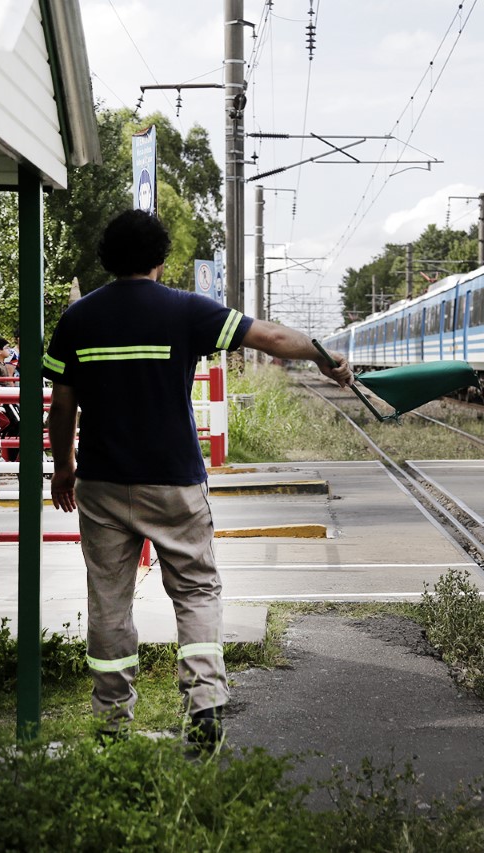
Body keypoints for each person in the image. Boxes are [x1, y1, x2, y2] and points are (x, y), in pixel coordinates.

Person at [43, 209, 352, 749]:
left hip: (103, 482)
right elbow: (273, 336)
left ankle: (113, 723)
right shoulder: (185, 310)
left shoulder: (78, 319)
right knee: (196, 589)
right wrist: (325, 358)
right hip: (174, 482)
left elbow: (61, 405)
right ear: (162, 261)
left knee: (109, 600)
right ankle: (205, 703)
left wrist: (64, 468)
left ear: (107, 260)